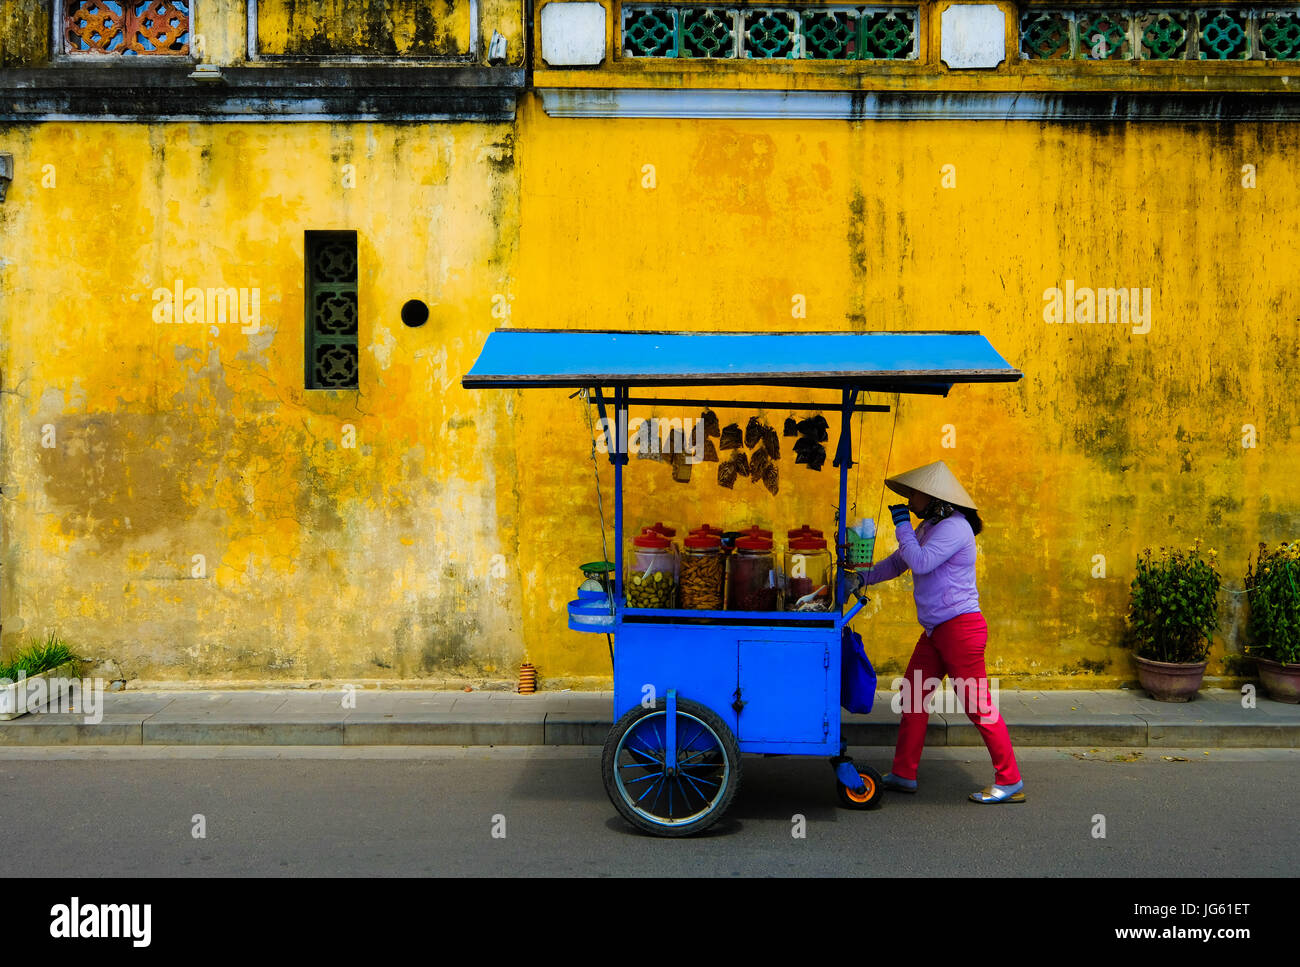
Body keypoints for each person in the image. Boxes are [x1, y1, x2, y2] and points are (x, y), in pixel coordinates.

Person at [852, 460, 1024, 804]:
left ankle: (1010, 779)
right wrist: (859, 577)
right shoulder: (932, 525)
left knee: (978, 707)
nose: (910, 499)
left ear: (932, 496)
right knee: (914, 700)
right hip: (936, 630)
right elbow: (898, 562)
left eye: (914, 493)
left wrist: (901, 525)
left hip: (960, 629)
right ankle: (904, 773)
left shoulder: (955, 528)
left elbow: (920, 562)